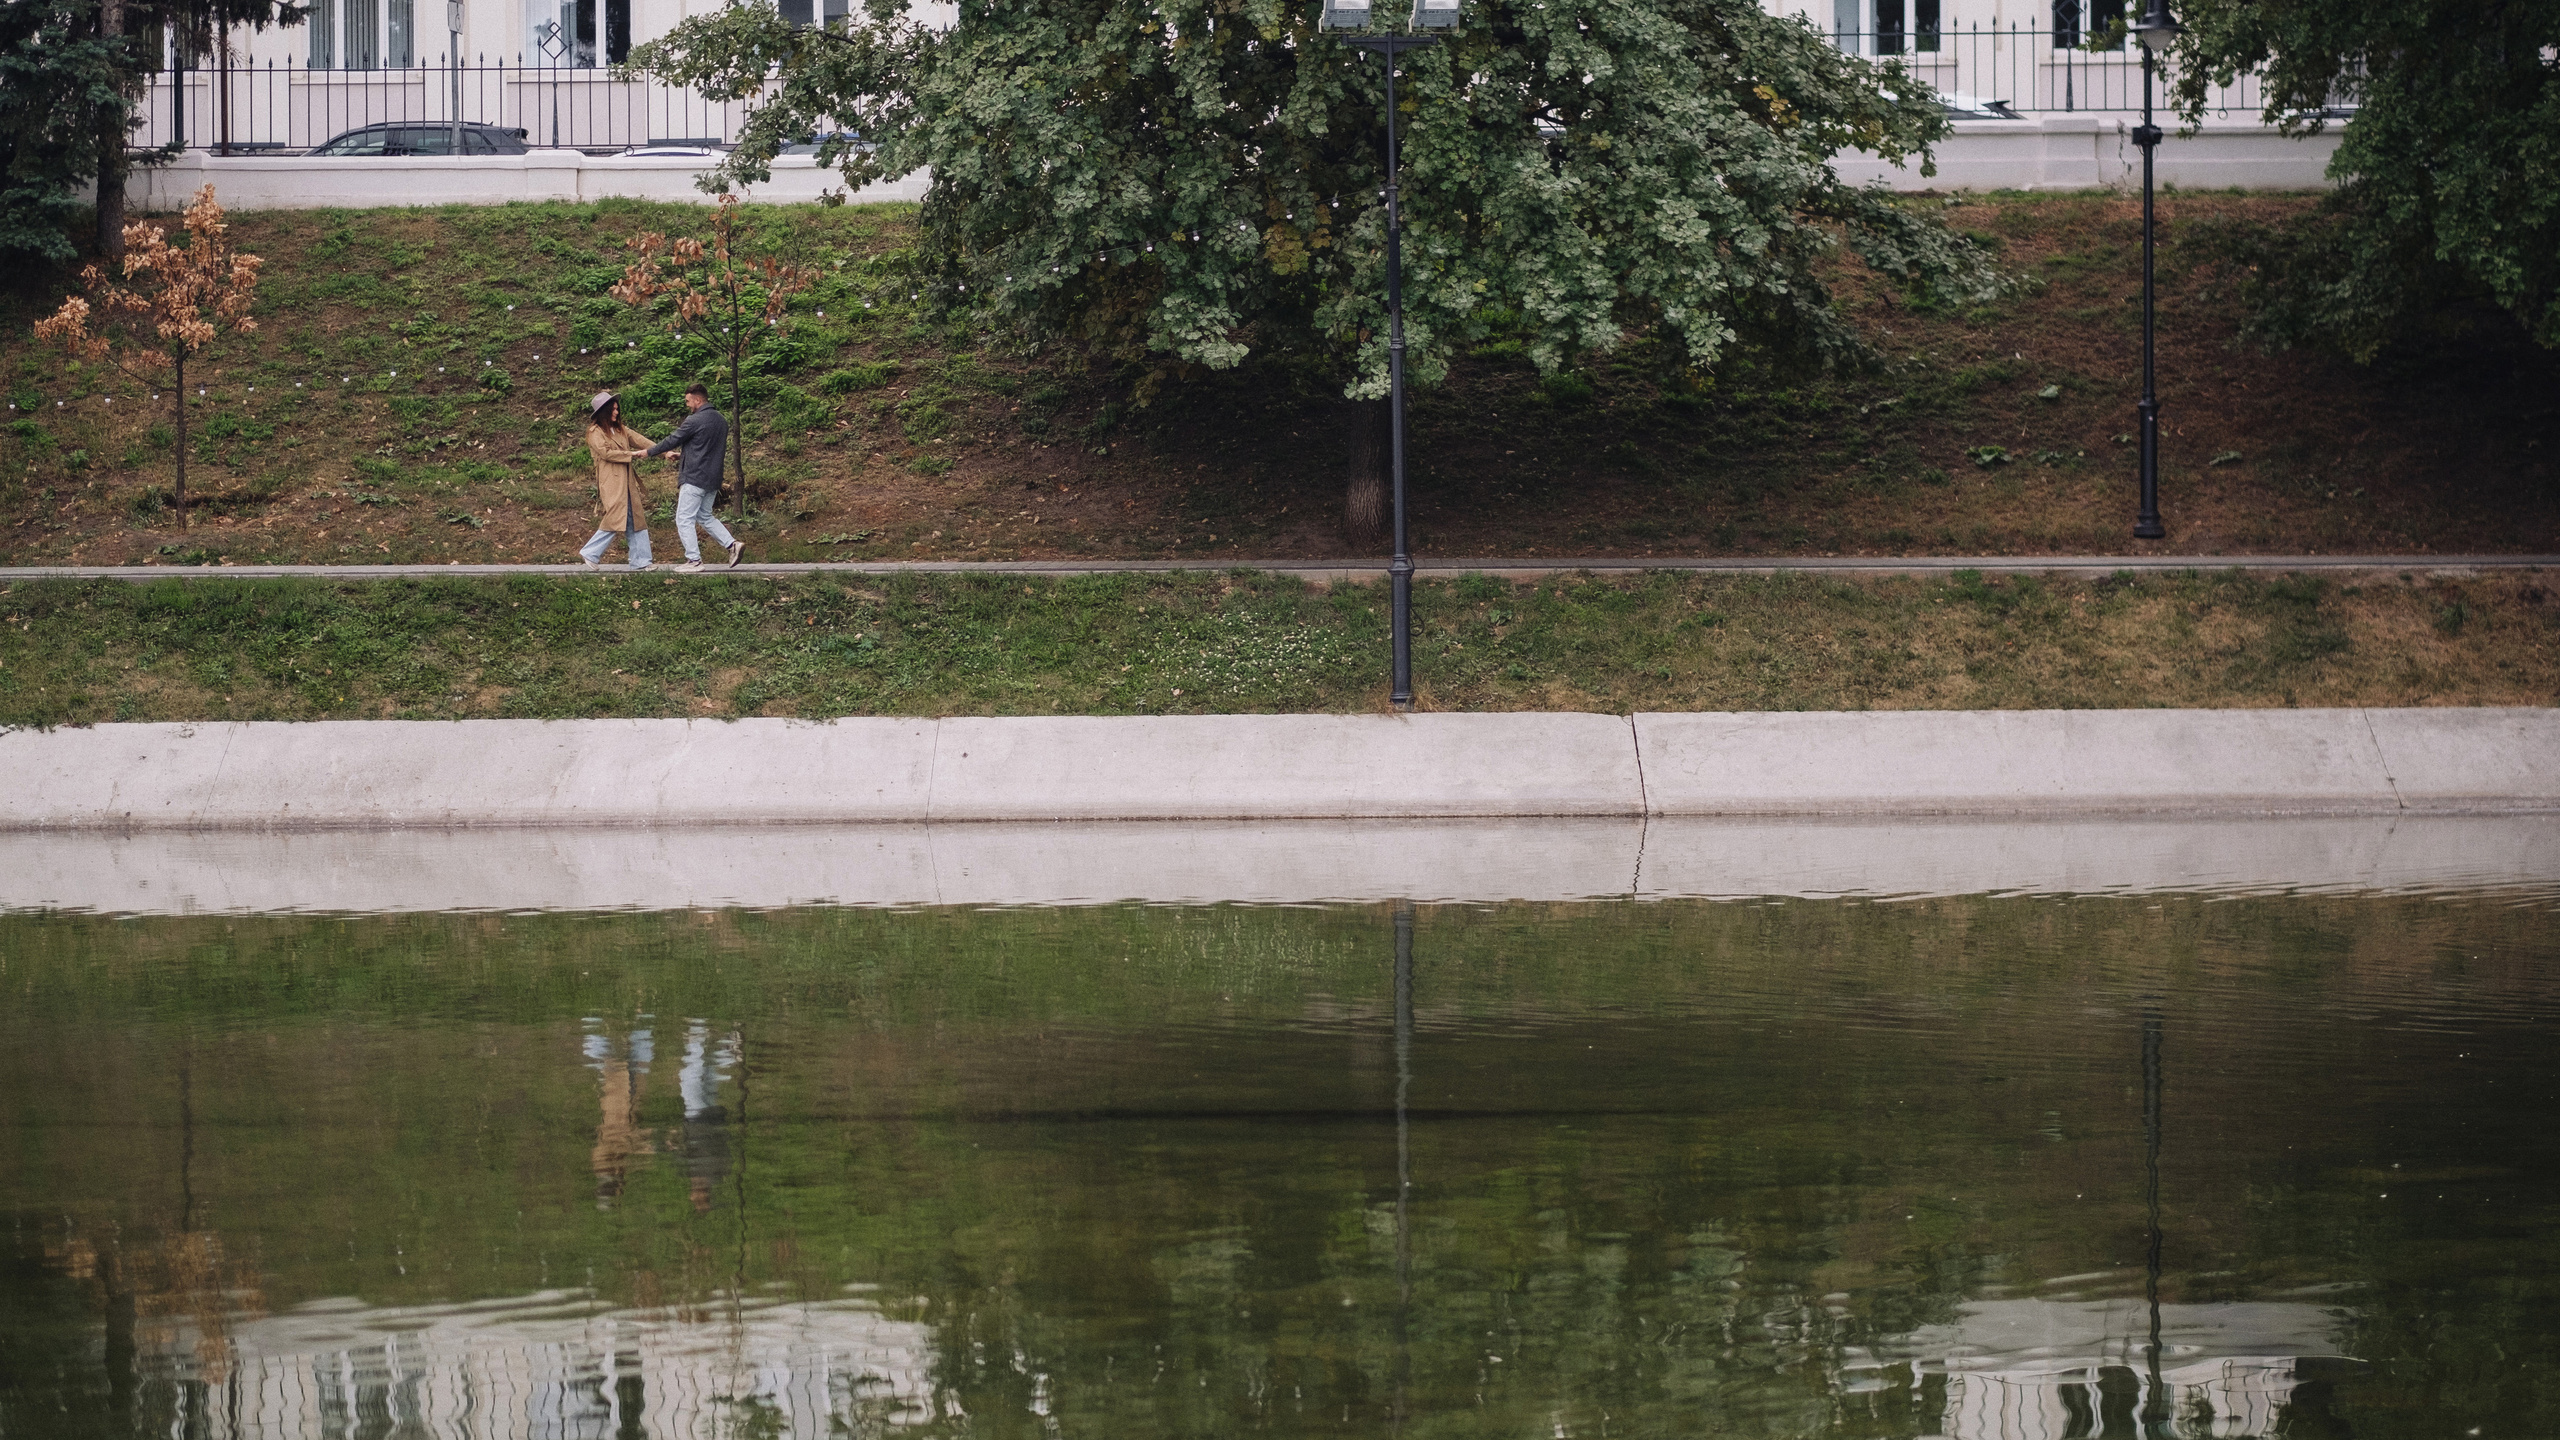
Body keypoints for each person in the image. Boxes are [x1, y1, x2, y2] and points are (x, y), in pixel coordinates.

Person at [645, 383, 744, 573]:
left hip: (695, 478)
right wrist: (682, 455)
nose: (687, 405)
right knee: (704, 515)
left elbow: (672, 440)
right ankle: (732, 545)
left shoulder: (694, 420)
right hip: (713, 478)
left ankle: (694, 560)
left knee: (683, 518)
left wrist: (649, 452)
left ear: (698, 400)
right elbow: (706, 449)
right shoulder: (721, 421)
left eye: (688, 401)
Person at [579, 392, 656, 570]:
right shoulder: (595, 433)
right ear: (604, 412)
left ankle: (641, 561)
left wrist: (662, 450)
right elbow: (606, 453)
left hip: (627, 481)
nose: (616, 412)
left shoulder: (621, 429)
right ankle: (590, 552)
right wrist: (631, 454)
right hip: (611, 482)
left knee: (636, 518)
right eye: (612, 409)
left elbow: (640, 440)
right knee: (615, 518)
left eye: (616, 409)